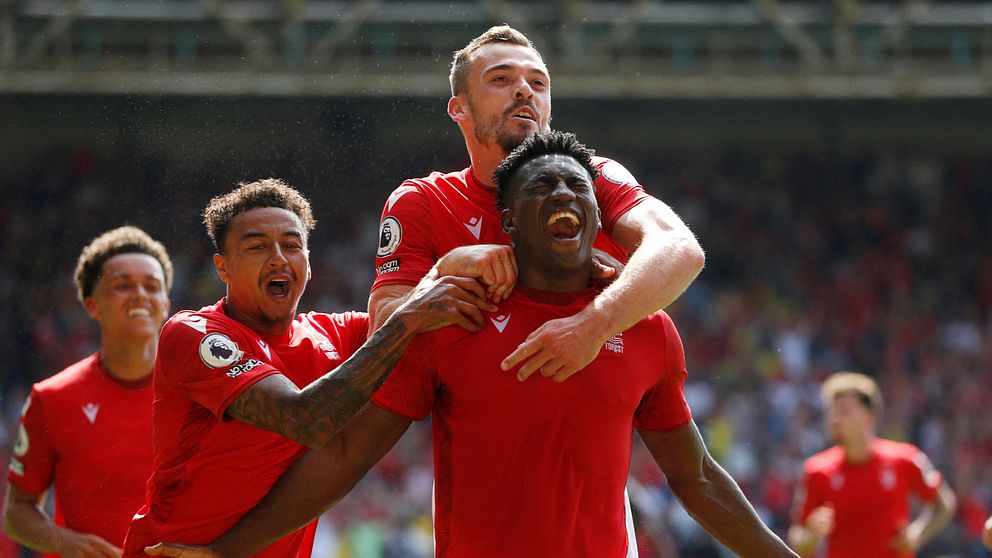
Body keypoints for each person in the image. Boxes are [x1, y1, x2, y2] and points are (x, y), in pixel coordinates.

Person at [146, 132, 797, 558]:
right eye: (542, 186)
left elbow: (698, 476)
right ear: (509, 221)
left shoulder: (646, 329)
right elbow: (345, 455)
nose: (565, 193)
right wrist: (225, 552)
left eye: (578, 188)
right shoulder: (453, 323)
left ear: (600, 220)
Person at [120, 178, 490, 558]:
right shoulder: (193, 334)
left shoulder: (340, 335)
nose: (279, 258)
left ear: (309, 264)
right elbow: (303, 418)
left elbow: (427, 321)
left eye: (292, 245)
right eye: (257, 246)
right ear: (222, 267)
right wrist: (405, 321)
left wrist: (460, 263)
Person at [369, 24, 705, 383]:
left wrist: (592, 327)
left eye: (538, 83)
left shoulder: (590, 179)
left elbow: (680, 248)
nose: (525, 90)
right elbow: (379, 332)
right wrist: (445, 270)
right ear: (459, 108)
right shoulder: (424, 201)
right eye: (501, 79)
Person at [4, 226, 174, 558]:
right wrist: (64, 542)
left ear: (166, 303)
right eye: (122, 285)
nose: (140, 294)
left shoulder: (198, 393)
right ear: (92, 304)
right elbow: (16, 511)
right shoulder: (52, 397)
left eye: (152, 286)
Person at [788, 371, 956, 558]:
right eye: (832, 411)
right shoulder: (816, 470)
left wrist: (917, 533)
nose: (834, 419)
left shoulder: (905, 459)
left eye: (844, 410)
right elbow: (798, 537)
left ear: (869, 416)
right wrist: (811, 537)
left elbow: (944, 503)